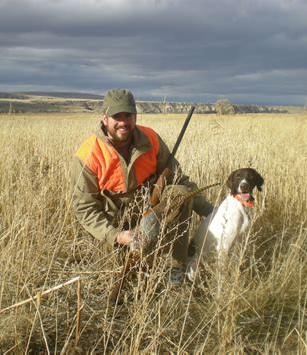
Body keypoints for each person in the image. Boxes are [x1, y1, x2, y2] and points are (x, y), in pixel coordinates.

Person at [71, 89, 213, 279]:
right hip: (114, 227)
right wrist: (116, 236)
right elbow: (84, 209)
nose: (123, 122)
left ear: (135, 116)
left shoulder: (151, 139)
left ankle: (176, 269)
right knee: (121, 273)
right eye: (116, 116)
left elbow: (178, 177)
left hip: (150, 214)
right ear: (104, 118)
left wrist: (211, 212)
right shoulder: (88, 154)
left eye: (128, 115)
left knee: (179, 192)